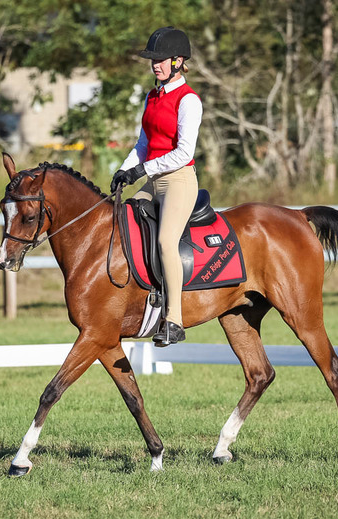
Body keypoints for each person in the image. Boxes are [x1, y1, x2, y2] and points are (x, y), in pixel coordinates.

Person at [110, 26, 202, 346]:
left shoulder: (189, 100)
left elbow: (184, 153)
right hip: (152, 180)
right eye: (153, 60)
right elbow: (143, 143)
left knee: (165, 241)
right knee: (122, 221)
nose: (155, 65)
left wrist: (142, 169)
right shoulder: (152, 96)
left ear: (178, 61)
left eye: (160, 60)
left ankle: (174, 320)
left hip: (178, 181)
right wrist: (124, 170)